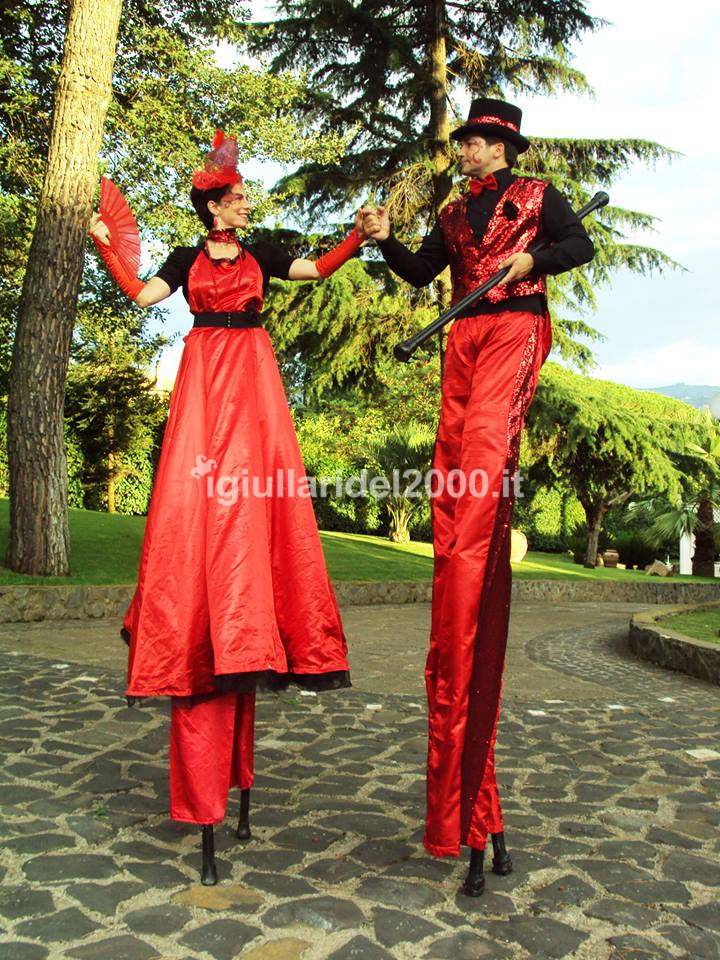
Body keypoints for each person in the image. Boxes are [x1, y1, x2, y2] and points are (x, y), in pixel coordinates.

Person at [89, 131, 363, 880]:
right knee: (198, 487)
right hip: (205, 372)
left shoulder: (262, 253)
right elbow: (140, 295)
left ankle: (256, 596)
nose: (246, 203)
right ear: (213, 205)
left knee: (258, 485)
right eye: (237, 196)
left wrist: (354, 239)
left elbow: (312, 270)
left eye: (244, 196)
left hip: (252, 373)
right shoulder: (186, 260)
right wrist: (107, 246)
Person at [362, 99, 595, 895]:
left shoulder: (538, 196)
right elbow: (420, 272)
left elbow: (580, 244)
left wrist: (534, 262)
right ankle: (484, 821)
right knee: (455, 465)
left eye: (476, 140)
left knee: (487, 453)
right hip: (462, 337)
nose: (465, 149)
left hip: (515, 327)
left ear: (501, 146)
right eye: (464, 140)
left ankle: (476, 531)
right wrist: (381, 238)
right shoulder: (454, 211)